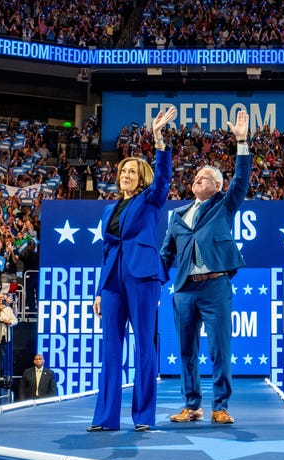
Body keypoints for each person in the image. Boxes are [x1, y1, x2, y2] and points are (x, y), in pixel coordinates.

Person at [87, 106, 176, 433]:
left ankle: (142, 417)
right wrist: (98, 290)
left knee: (144, 347)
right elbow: (106, 250)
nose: (125, 175)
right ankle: (105, 418)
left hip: (143, 275)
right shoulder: (109, 208)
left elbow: (164, 176)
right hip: (112, 280)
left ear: (141, 179)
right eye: (123, 171)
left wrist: (158, 138)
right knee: (110, 348)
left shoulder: (151, 199)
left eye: (132, 172)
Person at [161, 109, 251, 425]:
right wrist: (148, 281)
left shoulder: (223, 206)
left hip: (215, 287)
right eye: (196, 176)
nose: (197, 178)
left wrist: (241, 142)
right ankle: (192, 405)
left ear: (215, 186)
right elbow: (165, 256)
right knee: (186, 350)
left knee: (219, 350)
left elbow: (241, 180)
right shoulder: (176, 216)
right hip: (184, 288)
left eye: (205, 177)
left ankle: (220, 406)